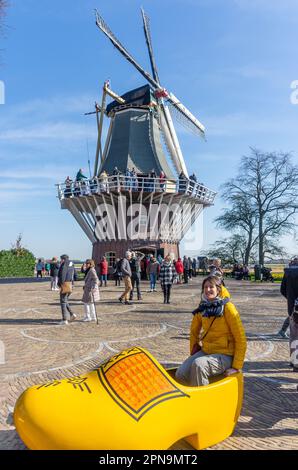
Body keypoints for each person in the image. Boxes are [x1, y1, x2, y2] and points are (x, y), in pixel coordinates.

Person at [175, 276, 247, 386]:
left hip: (226, 354)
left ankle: (202, 400)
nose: (208, 290)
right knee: (181, 373)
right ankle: (191, 397)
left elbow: (240, 338)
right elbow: (194, 332)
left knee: (199, 365)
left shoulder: (228, 308)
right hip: (207, 350)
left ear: (218, 289)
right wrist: (193, 353)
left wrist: (236, 366)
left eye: (211, 287)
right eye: (205, 287)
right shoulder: (202, 308)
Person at [278, 259, 298, 343]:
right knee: (293, 316)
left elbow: (282, 289)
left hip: (291, 298)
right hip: (294, 298)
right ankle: (283, 331)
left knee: (292, 315)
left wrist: (290, 298)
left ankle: (282, 330)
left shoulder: (287, 273)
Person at [57, 254, 77, 325]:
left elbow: (62, 274)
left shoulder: (64, 264)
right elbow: (75, 275)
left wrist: (60, 284)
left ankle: (64, 319)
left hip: (65, 284)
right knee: (65, 301)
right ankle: (72, 314)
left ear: (63, 259)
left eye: (61, 259)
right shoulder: (72, 264)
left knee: (62, 302)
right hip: (71, 284)